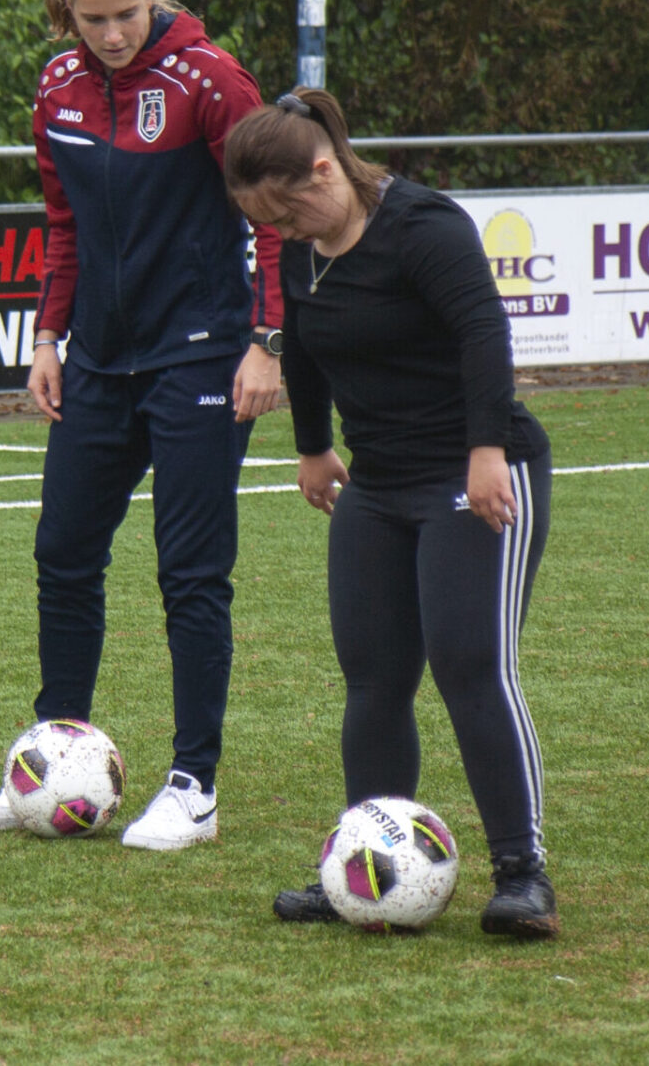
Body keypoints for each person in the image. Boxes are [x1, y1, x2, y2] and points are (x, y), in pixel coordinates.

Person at [0, 0, 285, 850]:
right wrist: (47, 339)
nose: (111, 34)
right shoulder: (57, 86)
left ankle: (195, 786)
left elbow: (275, 211)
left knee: (190, 574)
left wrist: (268, 340)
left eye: (126, 14)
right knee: (62, 553)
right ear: (64, 6)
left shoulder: (211, 79)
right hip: (97, 363)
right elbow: (63, 224)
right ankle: (51, 751)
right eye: (92, 17)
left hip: (200, 357)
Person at [224, 87, 557, 938]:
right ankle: (364, 865)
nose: (286, 236)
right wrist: (311, 445)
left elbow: (485, 331)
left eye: (288, 215)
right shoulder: (303, 249)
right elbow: (300, 339)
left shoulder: (424, 227)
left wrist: (487, 449)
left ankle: (523, 874)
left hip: (474, 470)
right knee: (374, 677)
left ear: (324, 169)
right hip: (377, 480)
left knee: (470, 663)